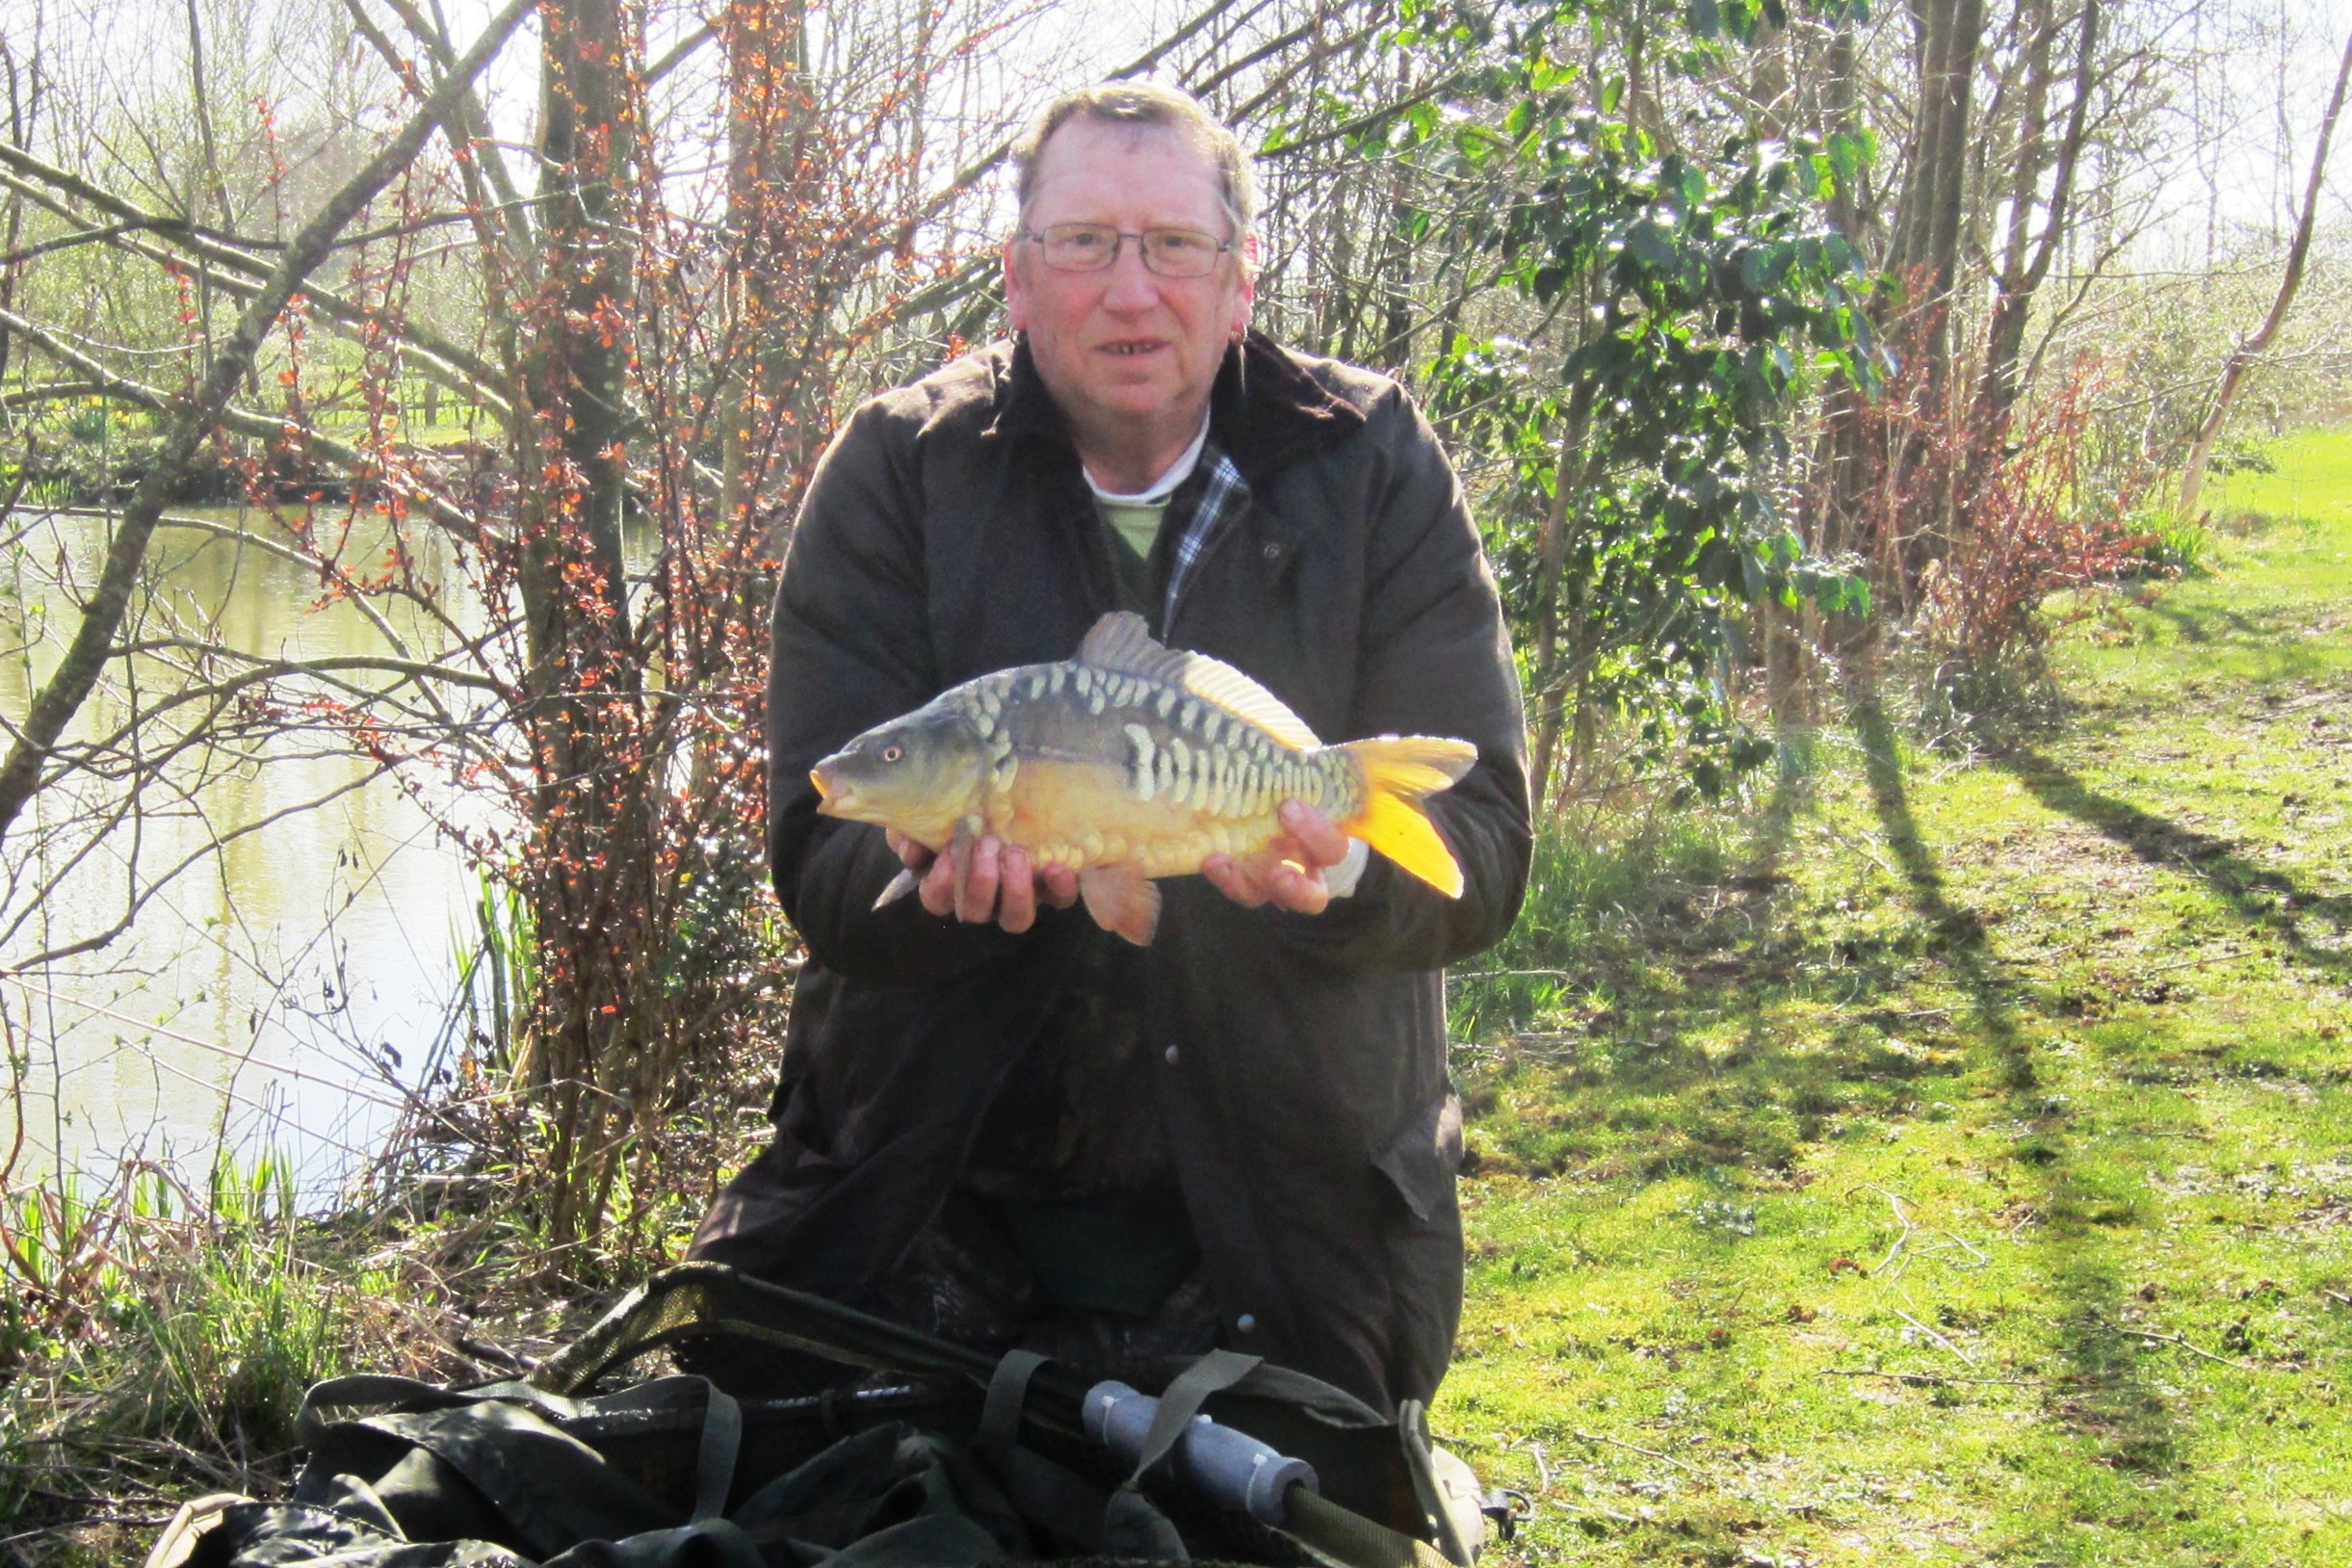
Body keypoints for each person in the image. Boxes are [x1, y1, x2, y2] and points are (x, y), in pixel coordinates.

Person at [686, 81, 1531, 1418]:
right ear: (1018, 282)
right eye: (1082, 245)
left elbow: (1481, 853)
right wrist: (929, 899)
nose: (1130, 292)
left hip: (1291, 1225)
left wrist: (1339, 880)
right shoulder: (897, 471)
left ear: (1238, 280)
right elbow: (817, 842)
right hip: (926, 1203)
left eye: (1173, 247)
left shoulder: (1370, 466)